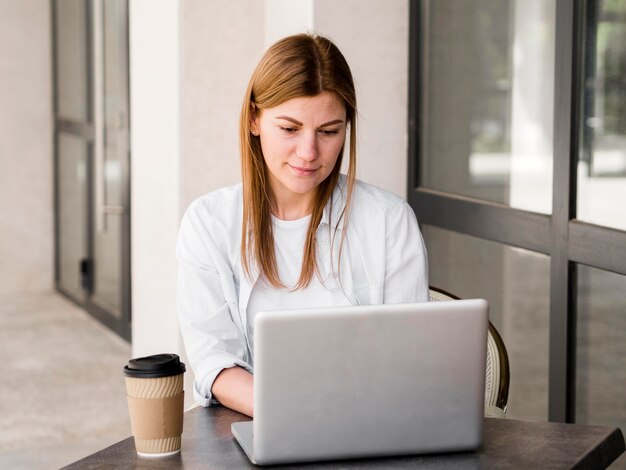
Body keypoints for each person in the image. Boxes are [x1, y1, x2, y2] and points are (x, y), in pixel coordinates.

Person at [177, 33, 429, 418]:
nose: (309, 153)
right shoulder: (208, 223)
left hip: (367, 422)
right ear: (255, 119)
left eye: (329, 132)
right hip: (257, 422)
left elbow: (407, 360)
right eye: (290, 129)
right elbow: (215, 363)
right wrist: (297, 414)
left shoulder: (389, 221)